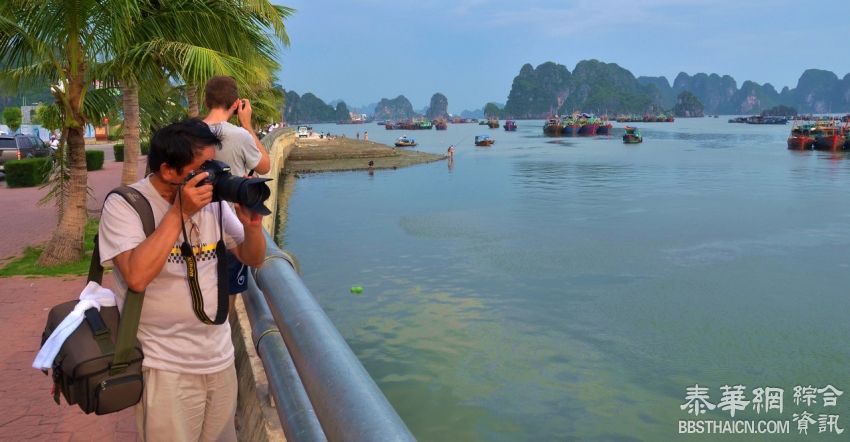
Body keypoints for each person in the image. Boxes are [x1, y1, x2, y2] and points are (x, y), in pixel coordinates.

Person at [98, 119, 266, 441]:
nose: (214, 173)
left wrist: (253, 226)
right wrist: (180, 212)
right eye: (203, 167)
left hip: (219, 359)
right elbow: (136, 276)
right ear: (170, 171)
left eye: (214, 163)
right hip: (164, 366)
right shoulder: (126, 205)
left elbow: (253, 257)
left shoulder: (213, 201)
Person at [203, 76, 270, 299]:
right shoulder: (239, 135)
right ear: (236, 104)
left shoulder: (190, 133)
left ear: (206, 101)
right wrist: (247, 125)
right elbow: (264, 166)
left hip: (196, 226)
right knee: (227, 298)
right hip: (232, 227)